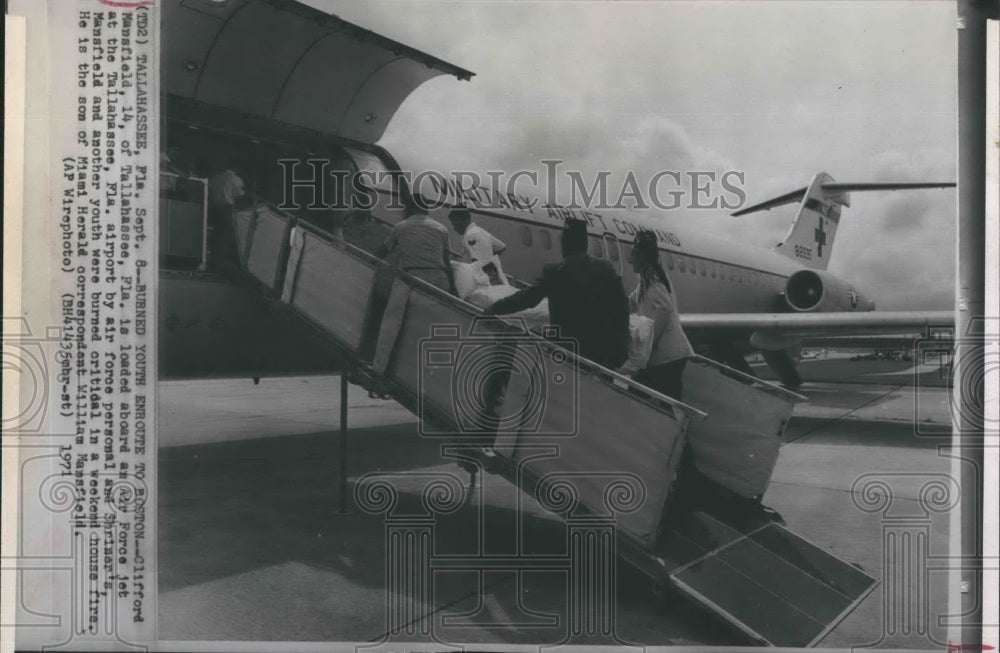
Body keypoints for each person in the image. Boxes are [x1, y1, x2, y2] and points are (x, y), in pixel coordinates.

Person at [485, 219, 629, 370]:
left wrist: (494, 308)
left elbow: (527, 299)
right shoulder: (605, 269)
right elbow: (622, 307)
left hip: (567, 353)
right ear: (585, 244)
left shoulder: (555, 272)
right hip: (601, 355)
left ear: (564, 243)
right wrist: (621, 347)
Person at [625, 229, 693, 401]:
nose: (630, 259)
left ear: (642, 257)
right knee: (657, 399)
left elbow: (664, 307)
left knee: (662, 401)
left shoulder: (653, 278)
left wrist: (648, 340)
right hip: (669, 355)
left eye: (634, 254)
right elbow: (633, 301)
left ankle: (678, 425)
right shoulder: (647, 279)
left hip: (668, 356)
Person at [448, 207, 507, 285]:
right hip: (486, 275)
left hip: (478, 280)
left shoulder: (470, 236)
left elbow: (476, 261)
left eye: (455, 224)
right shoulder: (482, 231)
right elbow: (502, 247)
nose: (454, 228)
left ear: (461, 220)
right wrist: (488, 257)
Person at [206, 163, 246, 271]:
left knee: (216, 233)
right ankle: (222, 261)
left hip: (214, 209)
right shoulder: (237, 180)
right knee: (227, 235)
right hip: (227, 209)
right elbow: (239, 197)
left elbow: (209, 193)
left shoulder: (215, 178)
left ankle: (213, 260)